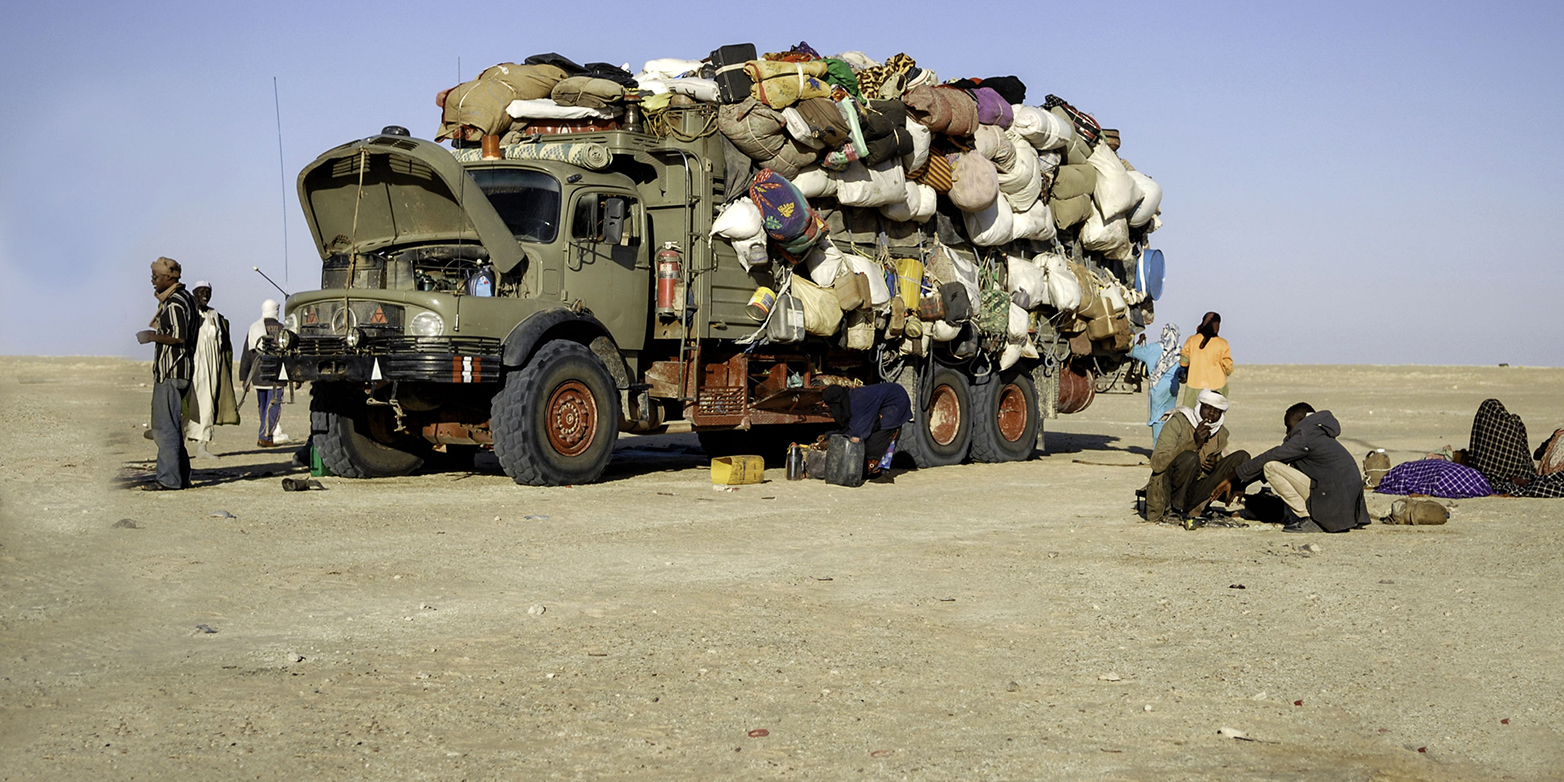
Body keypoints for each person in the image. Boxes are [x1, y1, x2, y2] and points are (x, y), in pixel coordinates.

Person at [1218, 403, 1371, 533]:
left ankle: (1308, 519)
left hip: (1333, 502)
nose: (1287, 432)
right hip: (1347, 506)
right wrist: (1243, 482)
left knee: (1271, 467)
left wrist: (1234, 475)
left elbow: (1273, 457)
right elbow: (1284, 461)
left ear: (1301, 421)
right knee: (1274, 467)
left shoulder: (1306, 435)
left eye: (1288, 426)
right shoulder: (1318, 434)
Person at [135, 257, 197, 491]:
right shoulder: (185, 299)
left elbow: (179, 335)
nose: (153, 280)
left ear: (169, 278)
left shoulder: (176, 303)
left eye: (156, 276)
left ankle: (168, 481)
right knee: (172, 428)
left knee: (164, 430)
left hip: (171, 372)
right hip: (179, 371)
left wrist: (150, 337)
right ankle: (180, 477)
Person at [1144, 389, 1248, 522]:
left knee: (1242, 457)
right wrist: (1194, 443)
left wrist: (1214, 464)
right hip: (1169, 488)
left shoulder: (1220, 433)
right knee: (1189, 457)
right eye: (1208, 408)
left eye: (1217, 411)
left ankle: (1201, 507)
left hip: (1197, 489)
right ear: (1199, 406)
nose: (1211, 413)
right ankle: (1174, 511)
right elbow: (1157, 464)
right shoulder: (1178, 422)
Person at [183, 282, 239, 458]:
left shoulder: (216, 317)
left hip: (212, 368)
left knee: (207, 405)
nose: (205, 295)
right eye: (201, 292)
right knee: (186, 404)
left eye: (208, 292)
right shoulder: (188, 314)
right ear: (194, 293)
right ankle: (178, 445)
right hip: (193, 366)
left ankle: (202, 447)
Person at [1466, 399, 1564, 498]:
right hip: (1523, 473)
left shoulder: (1488, 433)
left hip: (1495, 476)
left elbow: (1537, 454)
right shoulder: (1513, 425)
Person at [822, 383, 912, 481]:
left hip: (896, 404)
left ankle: (876, 467)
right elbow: (849, 425)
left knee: (873, 437)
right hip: (886, 400)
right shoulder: (849, 400)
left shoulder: (859, 401)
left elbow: (858, 432)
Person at [239, 299, 291, 447]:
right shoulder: (283, 329)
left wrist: (245, 378)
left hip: (258, 376)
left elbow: (246, 355)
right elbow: (289, 356)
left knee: (263, 407)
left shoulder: (254, 328)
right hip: (277, 376)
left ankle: (264, 435)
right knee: (273, 407)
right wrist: (294, 378)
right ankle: (265, 437)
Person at [1126, 324, 1182, 447]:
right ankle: (1168, 447)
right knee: (1169, 416)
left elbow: (1134, 352)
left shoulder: (1154, 348)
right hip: (1173, 387)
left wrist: (1139, 341)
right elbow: (1182, 372)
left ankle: (1157, 449)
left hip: (1158, 387)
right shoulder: (1179, 351)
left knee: (1157, 417)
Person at [1179, 312, 1232, 407]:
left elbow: (1184, 362)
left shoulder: (1192, 340)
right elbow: (1228, 368)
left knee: (1190, 414)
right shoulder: (1222, 343)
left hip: (1194, 385)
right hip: (1217, 386)